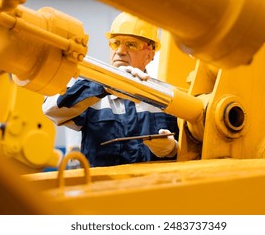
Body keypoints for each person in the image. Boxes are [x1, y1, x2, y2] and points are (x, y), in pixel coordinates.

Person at [42, 12, 179, 167]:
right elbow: (50, 109)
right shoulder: (93, 94)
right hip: (103, 188)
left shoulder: (167, 97)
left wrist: (173, 149)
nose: (120, 51)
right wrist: (105, 86)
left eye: (131, 44)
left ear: (149, 55)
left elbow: (195, 149)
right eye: (115, 43)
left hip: (154, 188)